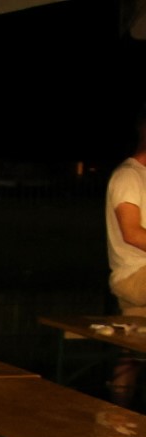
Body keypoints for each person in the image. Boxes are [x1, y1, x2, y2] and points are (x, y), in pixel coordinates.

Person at [105, 101, 146, 408]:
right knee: (131, 348)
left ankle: (117, 417)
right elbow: (131, 232)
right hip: (135, 274)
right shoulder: (128, 176)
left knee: (132, 349)